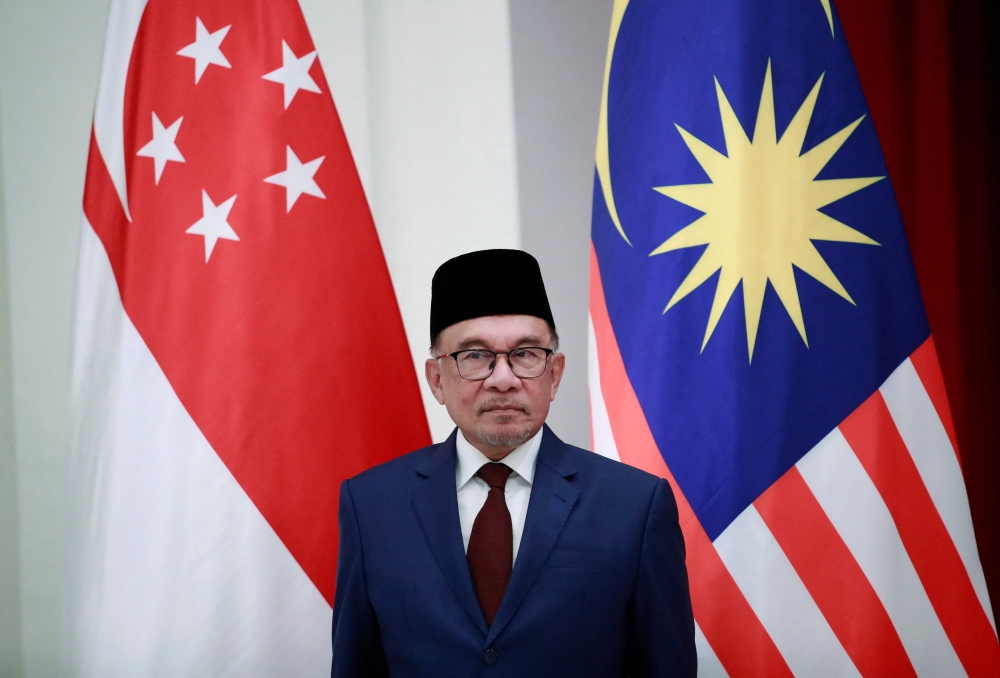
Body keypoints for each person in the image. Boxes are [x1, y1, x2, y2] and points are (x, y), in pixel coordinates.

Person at [331, 249, 696, 677]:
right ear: (436, 380)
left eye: (525, 354)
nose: (503, 379)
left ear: (554, 374)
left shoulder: (635, 505)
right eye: (474, 355)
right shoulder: (372, 504)